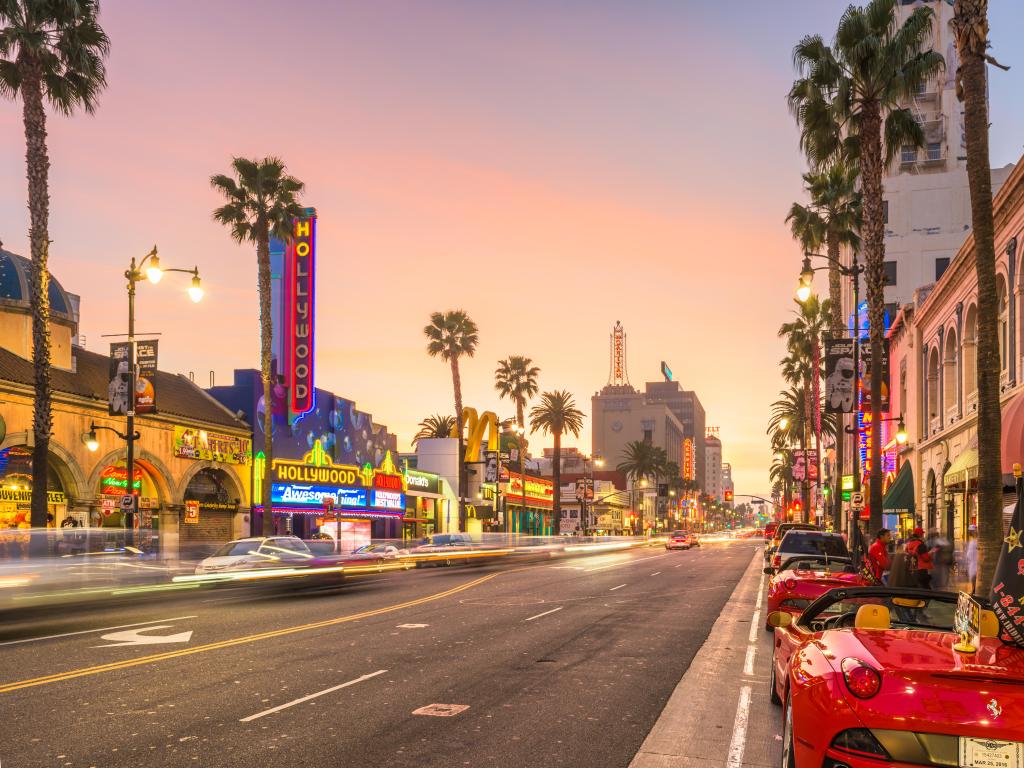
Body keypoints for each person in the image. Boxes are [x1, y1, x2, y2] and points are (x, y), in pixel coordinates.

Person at [965, 524, 979, 595]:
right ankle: (973, 589)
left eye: (971, 531)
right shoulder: (972, 540)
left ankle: (974, 590)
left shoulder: (978, 540)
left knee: (974, 575)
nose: (970, 532)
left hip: (975, 561)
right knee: (972, 576)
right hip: (972, 562)